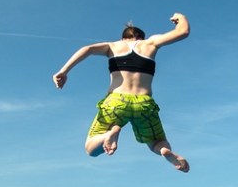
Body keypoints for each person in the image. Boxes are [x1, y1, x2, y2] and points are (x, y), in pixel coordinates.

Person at [53, 14, 191, 172]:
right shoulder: (150, 43)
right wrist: (180, 17)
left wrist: (64, 71)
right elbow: (183, 32)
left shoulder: (113, 46)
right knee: (156, 142)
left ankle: (110, 133)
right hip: (144, 104)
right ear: (141, 37)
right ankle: (164, 152)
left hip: (116, 102)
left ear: (123, 38)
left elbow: (88, 49)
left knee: (91, 149)